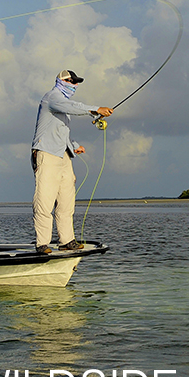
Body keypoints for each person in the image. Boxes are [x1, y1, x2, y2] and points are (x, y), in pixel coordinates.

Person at [31, 69, 113, 254]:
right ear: (62, 81)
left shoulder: (63, 105)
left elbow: (60, 131)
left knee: (66, 201)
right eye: (71, 81)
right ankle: (42, 244)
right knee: (44, 200)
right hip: (46, 153)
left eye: (76, 82)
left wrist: (74, 145)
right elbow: (72, 107)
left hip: (64, 155)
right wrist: (95, 109)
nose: (74, 85)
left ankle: (66, 241)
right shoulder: (52, 97)